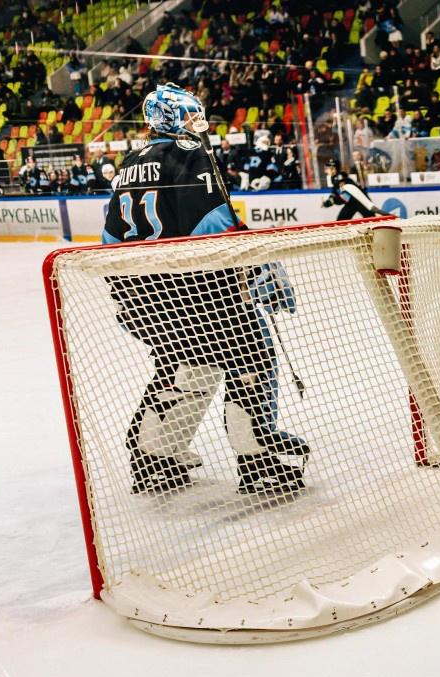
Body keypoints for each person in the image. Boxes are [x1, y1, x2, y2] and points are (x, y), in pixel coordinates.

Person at [102, 83, 308, 494]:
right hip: (198, 292)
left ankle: (153, 454)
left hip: (140, 295)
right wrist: (257, 261)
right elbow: (213, 225)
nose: (198, 124)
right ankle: (258, 457)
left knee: (185, 364)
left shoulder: (128, 162)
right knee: (252, 357)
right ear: (170, 119)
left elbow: (110, 240)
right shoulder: (189, 152)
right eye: (191, 116)